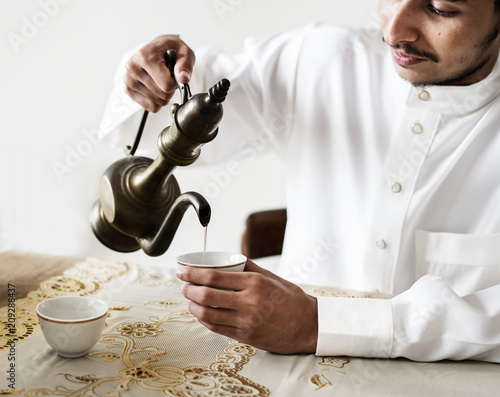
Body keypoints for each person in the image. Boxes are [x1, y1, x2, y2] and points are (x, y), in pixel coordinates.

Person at [102, 0, 500, 361]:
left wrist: (319, 323)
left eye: (440, 9)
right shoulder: (326, 60)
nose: (394, 31)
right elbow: (160, 117)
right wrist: (150, 75)